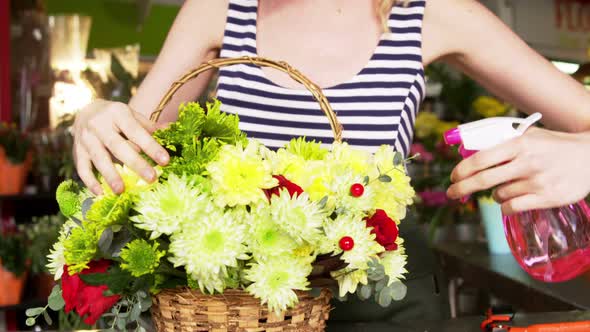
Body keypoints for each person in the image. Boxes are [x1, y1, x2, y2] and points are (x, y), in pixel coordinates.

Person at [72, 0, 590, 323]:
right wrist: (91, 117)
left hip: (384, 305)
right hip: (242, 306)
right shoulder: (218, 8)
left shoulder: (434, 13)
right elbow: (132, 155)